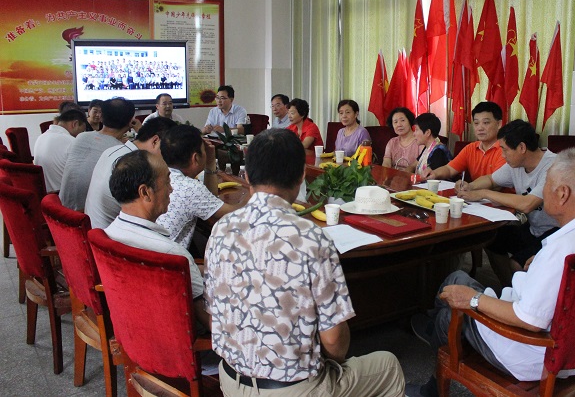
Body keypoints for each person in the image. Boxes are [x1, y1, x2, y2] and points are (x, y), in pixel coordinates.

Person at [407, 148, 575, 397]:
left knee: (449, 314)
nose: (542, 192)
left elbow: (529, 321)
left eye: (546, 184)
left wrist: (472, 299)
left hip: (535, 353)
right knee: (455, 279)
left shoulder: (563, 251)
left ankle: (432, 388)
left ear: (563, 193)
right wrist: (541, 262)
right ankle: (432, 329)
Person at [204, 128, 405, 396]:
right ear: (302, 176)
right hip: (292, 390)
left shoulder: (222, 228)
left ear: (248, 175)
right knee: (388, 365)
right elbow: (334, 343)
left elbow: (213, 311)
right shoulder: (311, 238)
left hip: (229, 380)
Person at [105, 150, 209, 330]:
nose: (171, 188)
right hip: (176, 341)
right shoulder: (172, 255)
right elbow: (207, 320)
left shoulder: (109, 234)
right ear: (145, 192)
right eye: (167, 181)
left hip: (131, 328)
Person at [456, 119, 559, 287]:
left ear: (522, 148)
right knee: (493, 240)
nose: (502, 155)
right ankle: (509, 289)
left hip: (557, 231)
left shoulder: (552, 167)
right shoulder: (516, 164)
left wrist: (483, 194)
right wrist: (469, 186)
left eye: (504, 150)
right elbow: (490, 179)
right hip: (534, 228)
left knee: (517, 263)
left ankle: (524, 300)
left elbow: (527, 204)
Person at [85, 117, 177, 229]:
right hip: (112, 237)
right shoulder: (136, 165)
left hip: (95, 230)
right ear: (155, 141)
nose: (168, 156)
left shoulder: (113, 150)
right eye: (168, 149)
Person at [157, 125, 236, 250]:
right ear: (195, 158)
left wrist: (210, 163)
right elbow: (236, 214)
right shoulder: (189, 187)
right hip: (169, 263)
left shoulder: (158, 175)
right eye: (203, 150)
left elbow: (210, 198)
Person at [59, 97, 137, 211]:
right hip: (87, 217)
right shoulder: (120, 152)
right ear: (130, 122)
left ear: (101, 117)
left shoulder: (81, 137)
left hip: (62, 211)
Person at [425, 102, 506, 183]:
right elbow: (449, 169)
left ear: (499, 124)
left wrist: (469, 187)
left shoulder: (506, 149)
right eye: (476, 123)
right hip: (474, 194)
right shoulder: (470, 148)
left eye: (486, 123)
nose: (480, 128)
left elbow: (495, 183)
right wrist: (434, 173)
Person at [33, 109, 87, 193]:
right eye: (82, 131)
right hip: (63, 196)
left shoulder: (41, 137)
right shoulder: (71, 141)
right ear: (75, 124)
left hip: (44, 194)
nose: (80, 135)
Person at [382, 107, 422, 171]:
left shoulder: (420, 142)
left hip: (413, 178)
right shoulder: (392, 142)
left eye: (402, 120)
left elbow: (422, 165)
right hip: (394, 178)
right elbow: (386, 163)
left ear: (410, 121)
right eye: (395, 122)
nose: (399, 125)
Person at [413, 113, 451, 178]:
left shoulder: (438, 151)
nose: (414, 134)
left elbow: (434, 179)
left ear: (428, 132)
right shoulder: (428, 147)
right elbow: (414, 164)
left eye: (416, 130)